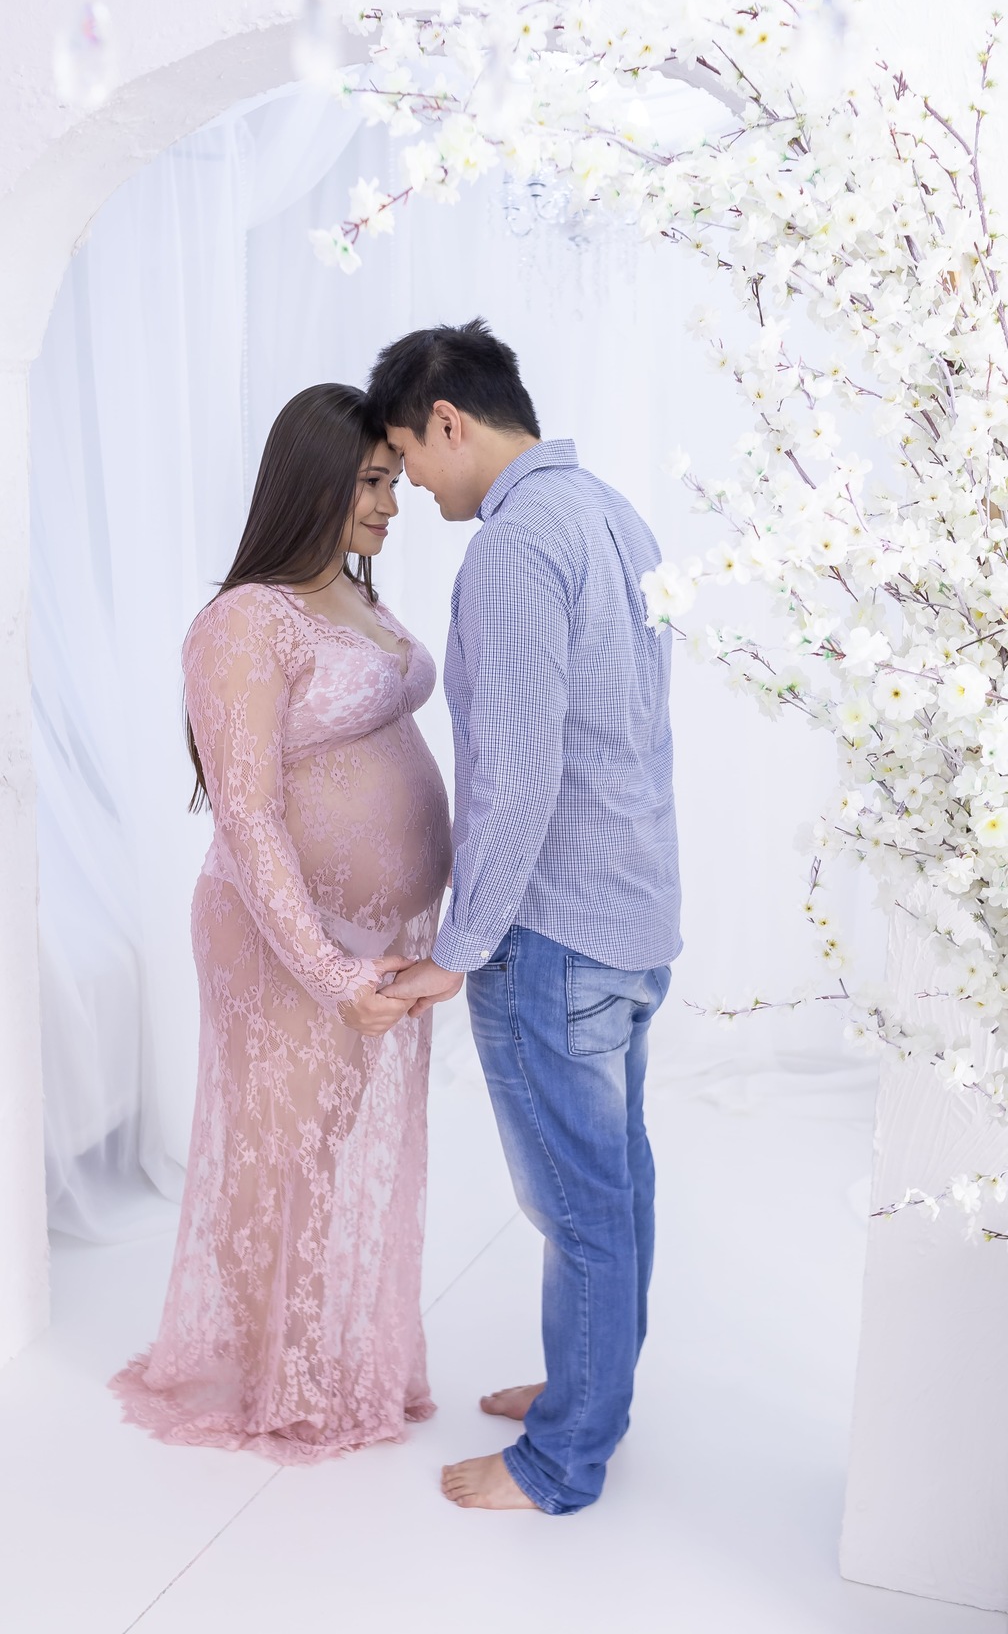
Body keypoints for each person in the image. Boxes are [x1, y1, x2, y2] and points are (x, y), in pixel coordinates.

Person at [368, 320, 681, 1515]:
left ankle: (562, 1462)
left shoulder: (512, 551)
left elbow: (515, 775)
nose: (410, 485)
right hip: (634, 916)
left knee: (579, 1207)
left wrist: (458, 950)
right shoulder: (610, 513)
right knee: (617, 1188)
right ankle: (584, 1396)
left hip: (552, 934)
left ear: (449, 421)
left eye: (406, 456)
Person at [111, 383, 452, 1462]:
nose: (391, 502)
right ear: (312, 482)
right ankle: (285, 1379)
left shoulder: (357, 595)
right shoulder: (246, 620)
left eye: (394, 479)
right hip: (285, 940)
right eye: (369, 482)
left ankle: (342, 1350)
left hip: (388, 937)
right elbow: (246, 813)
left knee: (356, 1140)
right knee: (288, 1150)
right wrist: (331, 972)